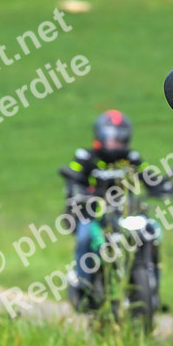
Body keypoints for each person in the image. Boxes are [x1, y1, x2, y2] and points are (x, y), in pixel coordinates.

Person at [62, 109, 137, 307]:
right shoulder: (85, 156)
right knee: (85, 237)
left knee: (145, 235)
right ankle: (83, 283)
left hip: (121, 214)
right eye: (111, 136)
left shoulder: (130, 158)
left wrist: (163, 186)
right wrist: (78, 192)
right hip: (91, 214)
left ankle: (142, 287)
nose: (115, 141)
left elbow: (149, 175)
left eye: (119, 136)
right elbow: (73, 176)